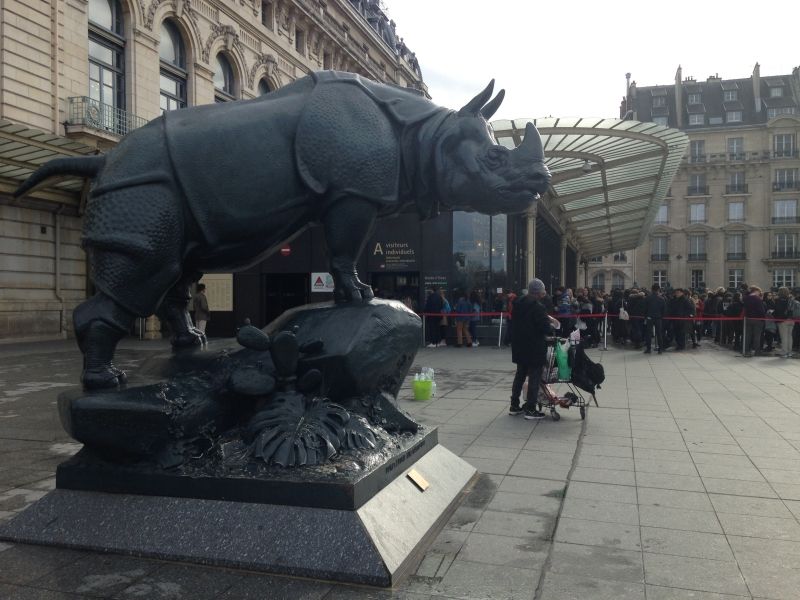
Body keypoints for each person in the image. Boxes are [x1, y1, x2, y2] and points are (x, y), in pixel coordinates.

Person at [509, 278, 557, 420]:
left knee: (520, 376)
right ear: (538, 293)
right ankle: (530, 408)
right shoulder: (538, 307)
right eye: (542, 293)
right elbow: (545, 328)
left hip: (519, 346)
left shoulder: (517, 303)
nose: (543, 296)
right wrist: (552, 325)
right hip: (534, 347)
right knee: (534, 378)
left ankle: (514, 405)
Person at [742, 286, 766, 357]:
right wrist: (763, 318)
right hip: (758, 319)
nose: (760, 293)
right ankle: (757, 351)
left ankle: (746, 350)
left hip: (748, 318)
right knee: (757, 336)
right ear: (755, 291)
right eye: (759, 292)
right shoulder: (757, 299)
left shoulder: (746, 298)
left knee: (747, 335)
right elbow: (761, 311)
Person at [773, 287, 796, 358]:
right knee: (790, 336)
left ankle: (784, 352)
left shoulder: (778, 300)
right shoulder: (791, 299)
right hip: (792, 320)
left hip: (783, 320)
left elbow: (777, 311)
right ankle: (789, 352)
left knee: (784, 337)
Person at [643, 284, 666, 354]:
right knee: (659, 334)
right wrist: (661, 316)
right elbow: (664, 310)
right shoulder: (661, 299)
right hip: (658, 318)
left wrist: (646, 317)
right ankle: (660, 349)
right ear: (658, 290)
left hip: (649, 317)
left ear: (651, 289)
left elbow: (645, 309)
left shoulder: (647, 298)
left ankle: (648, 348)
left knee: (649, 333)